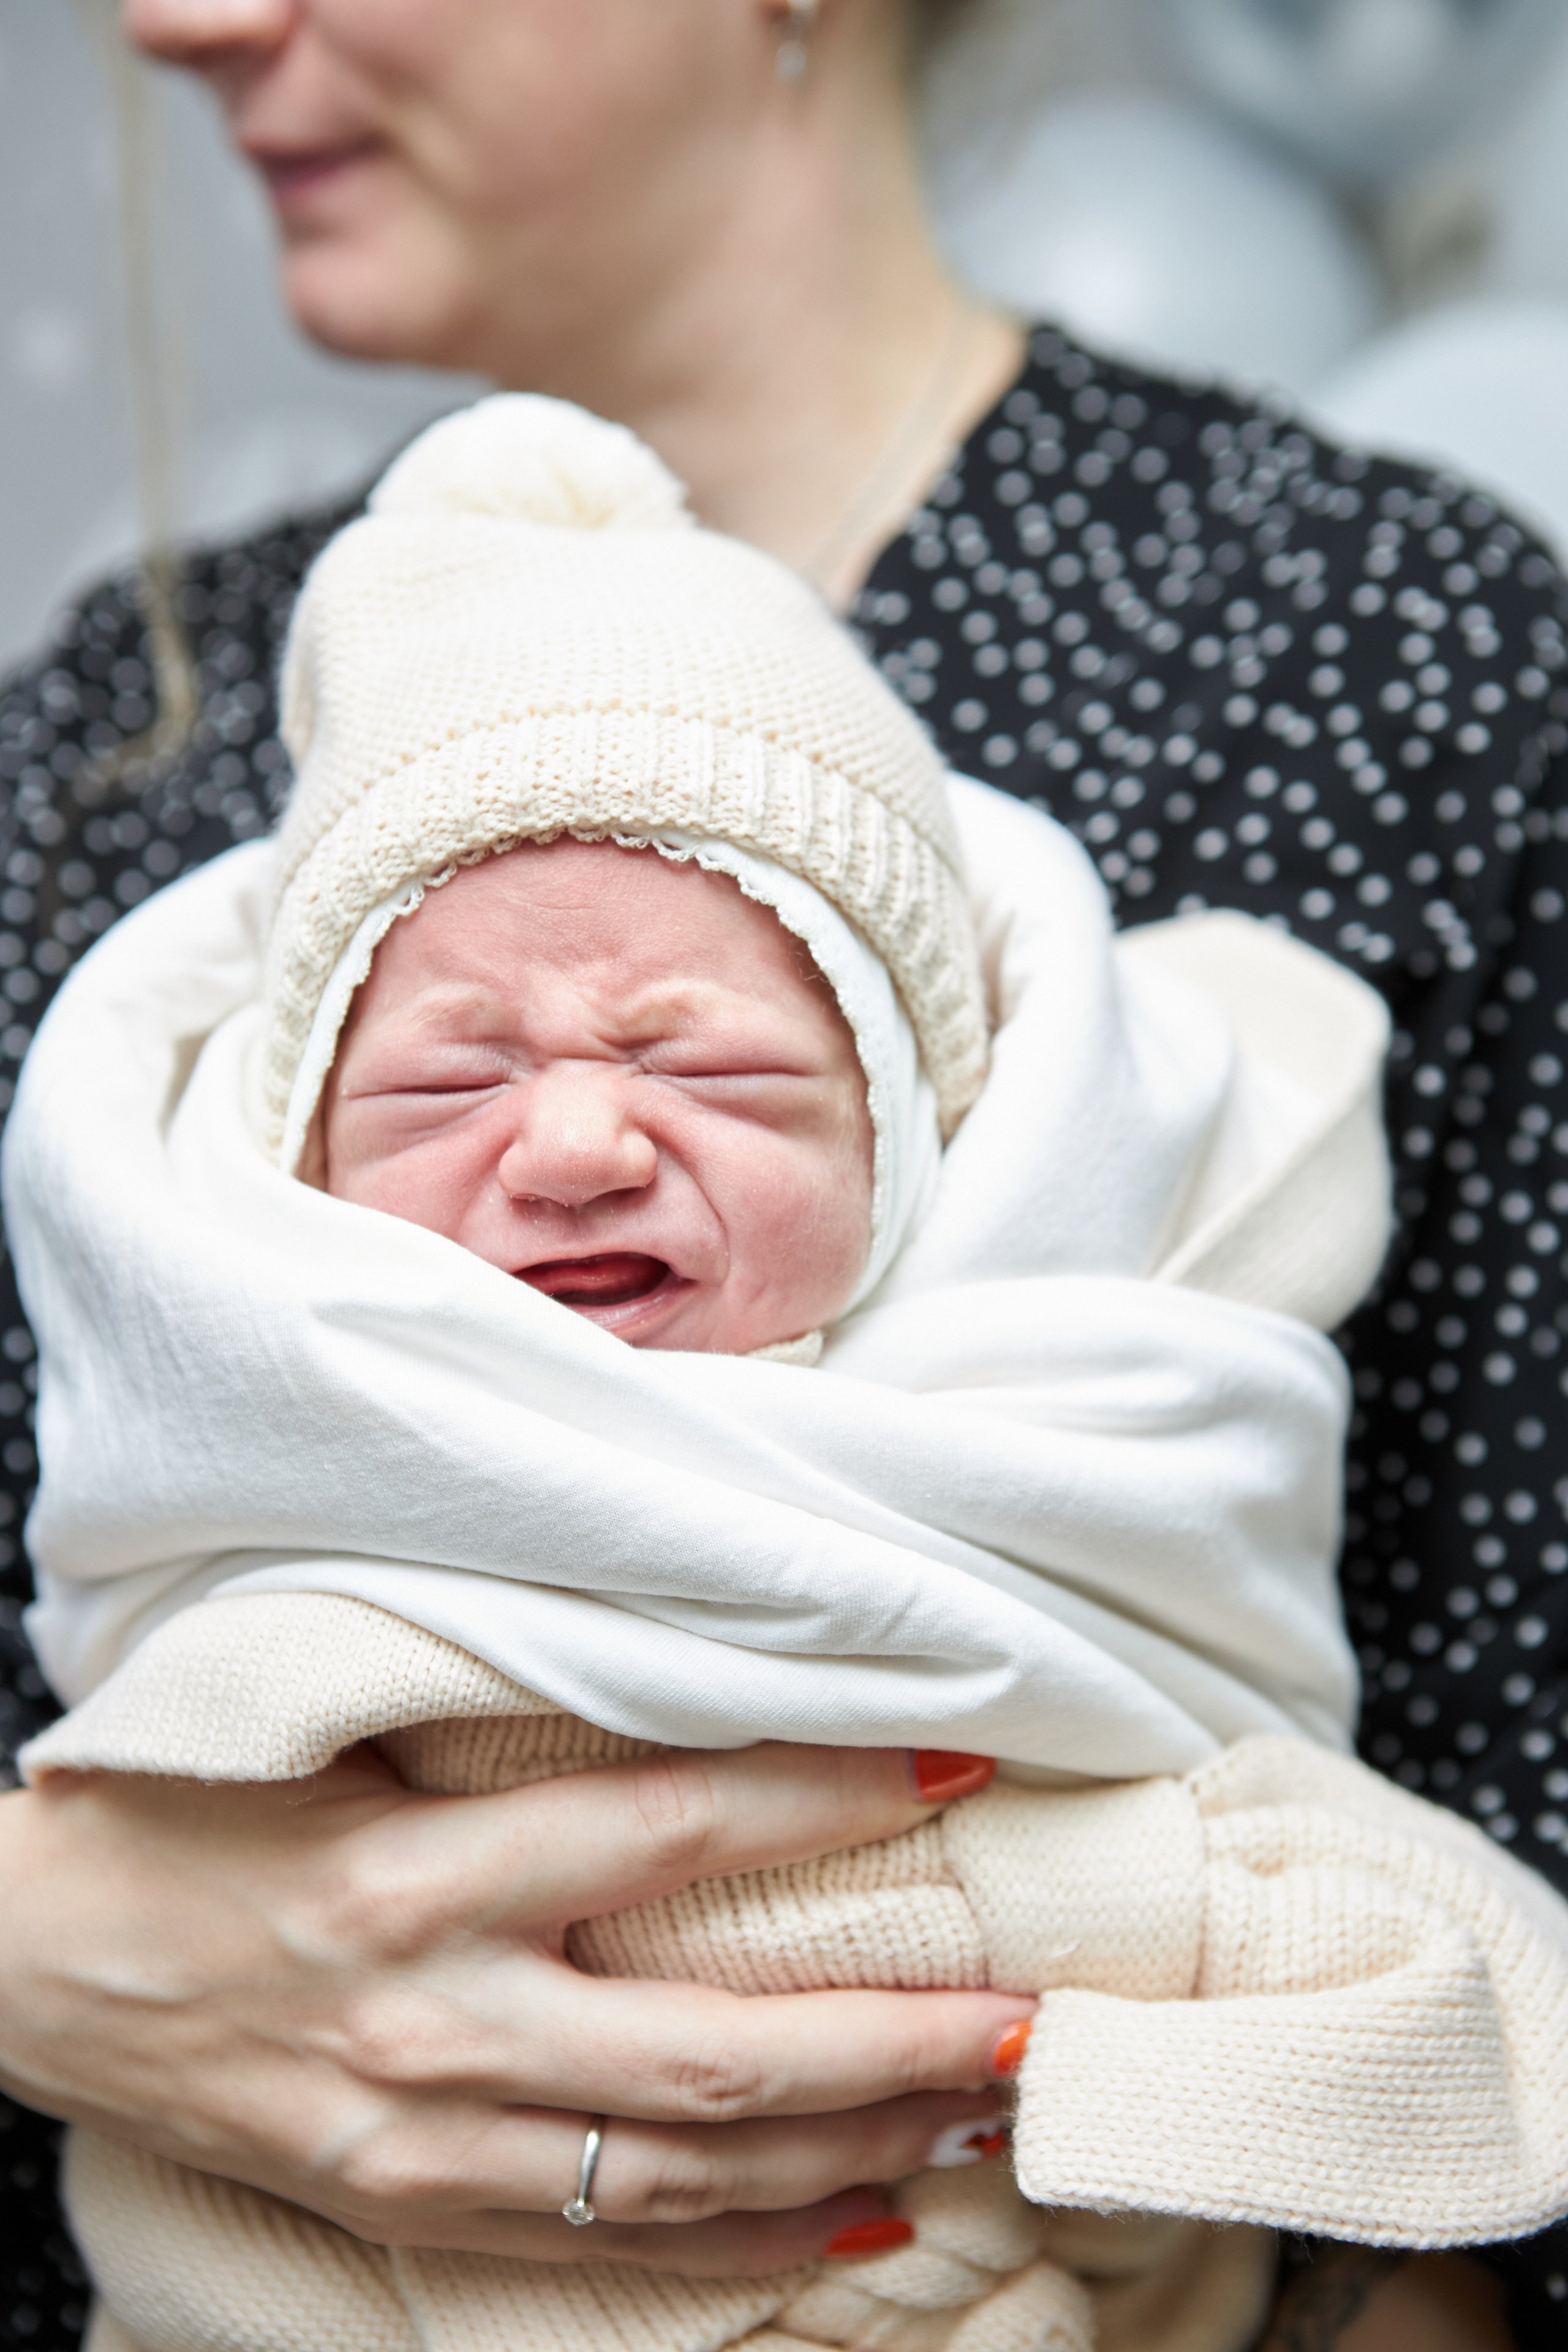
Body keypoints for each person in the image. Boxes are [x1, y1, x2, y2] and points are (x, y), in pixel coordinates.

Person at [0, 0, 1561, 2342]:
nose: (183, 18)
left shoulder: (1397, 669)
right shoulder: (133, 743)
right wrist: (49, 1958)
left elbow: (1497, 1837)